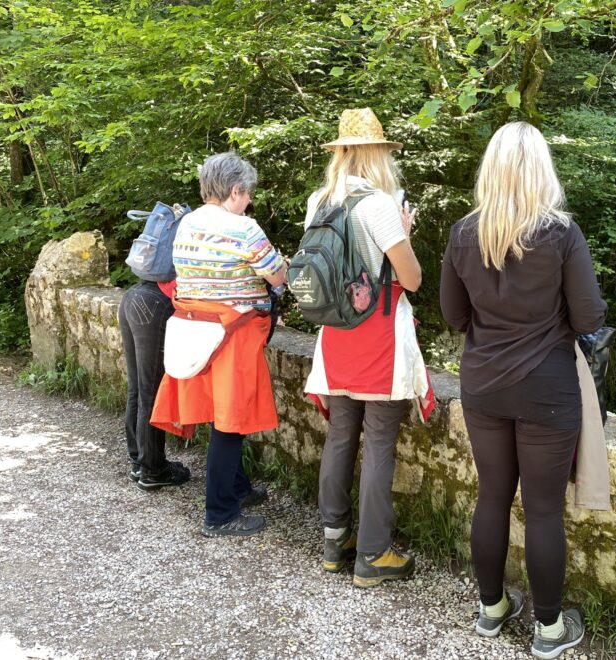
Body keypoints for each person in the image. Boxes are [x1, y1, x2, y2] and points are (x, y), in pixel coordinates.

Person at [439, 122, 607, 659]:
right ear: (543, 171)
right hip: (547, 391)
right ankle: (550, 631)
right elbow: (589, 316)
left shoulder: (464, 233)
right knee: (542, 510)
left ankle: (491, 610)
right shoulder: (561, 235)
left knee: (491, 496)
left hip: (484, 385)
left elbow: (453, 315)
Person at [302, 108, 435, 588]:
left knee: (340, 435)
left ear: (339, 154)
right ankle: (374, 555)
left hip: (335, 336)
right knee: (379, 441)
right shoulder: (380, 206)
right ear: (379, 155)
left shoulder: (319, 201)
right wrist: (406, 232)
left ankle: (334, 541)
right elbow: (413, 280)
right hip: (379, 337)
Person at [151, 152, 287, 537]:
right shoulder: (245, 228)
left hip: (196, 331)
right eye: (248, 194)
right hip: (234, 334)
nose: (249, 202)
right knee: (231, 423)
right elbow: (275, 278)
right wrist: (284, 266)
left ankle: (239, 489)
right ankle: (220, 513)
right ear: (235, 190)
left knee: (221, 416)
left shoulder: (187, 223)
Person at [119, 278, 191, 491]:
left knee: (137, 388)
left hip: (134, 294)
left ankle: (139, 463)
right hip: (156, 301)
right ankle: (152, 470)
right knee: (151, 392)